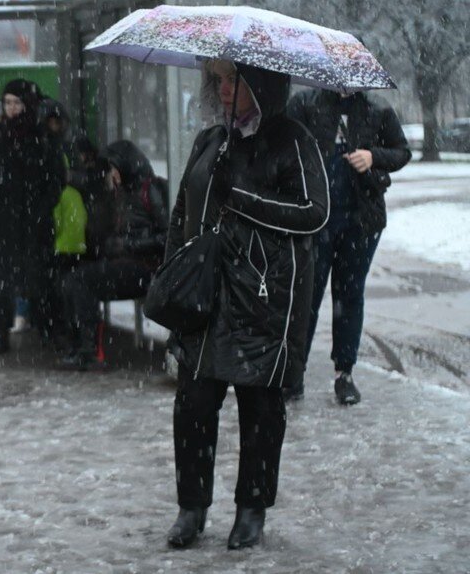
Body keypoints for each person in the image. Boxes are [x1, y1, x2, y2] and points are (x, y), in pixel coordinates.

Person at [164, 60, 328, 550]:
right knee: (192, 403)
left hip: (264, 298)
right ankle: (191, 508)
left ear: (264, 83)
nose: (225, 89)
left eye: (234, 79)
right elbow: (182, 211)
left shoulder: (293, 139)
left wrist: (245, 197)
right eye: (219, 79)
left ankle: (251, 508)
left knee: (260, 407)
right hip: (206, 296)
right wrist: (172, 269)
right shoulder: (211, 140)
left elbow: (314, 213)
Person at [287, 88, 410, 404]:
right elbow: (284, 147)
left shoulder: (376, 109)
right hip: (316, 218)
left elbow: (401, 151)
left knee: (350, 295)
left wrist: (373, 157)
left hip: (362, 220)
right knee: (307, 294)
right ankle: (293, 374)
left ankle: (345, 373)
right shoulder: (305, 104)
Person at [55, 140, 169, 371]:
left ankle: (89, 351)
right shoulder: (122, 193)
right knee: (70, 280)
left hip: (144, 268)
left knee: (81, 280)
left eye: (114, 168)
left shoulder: (150, 189)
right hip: (126, 264)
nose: (111, 174)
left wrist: (128, 244)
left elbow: (167, 237)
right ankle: (80, 346)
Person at [0, 79, 64, 355]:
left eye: (17, 102)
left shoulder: (43, 139)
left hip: (34, 222)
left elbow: (55, 179)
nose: (12, 108)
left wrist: (42, 208)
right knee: (0, 281)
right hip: (3, 222)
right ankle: (1, 331)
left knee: (39, 278)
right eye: (8, 102)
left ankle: (46, 329)